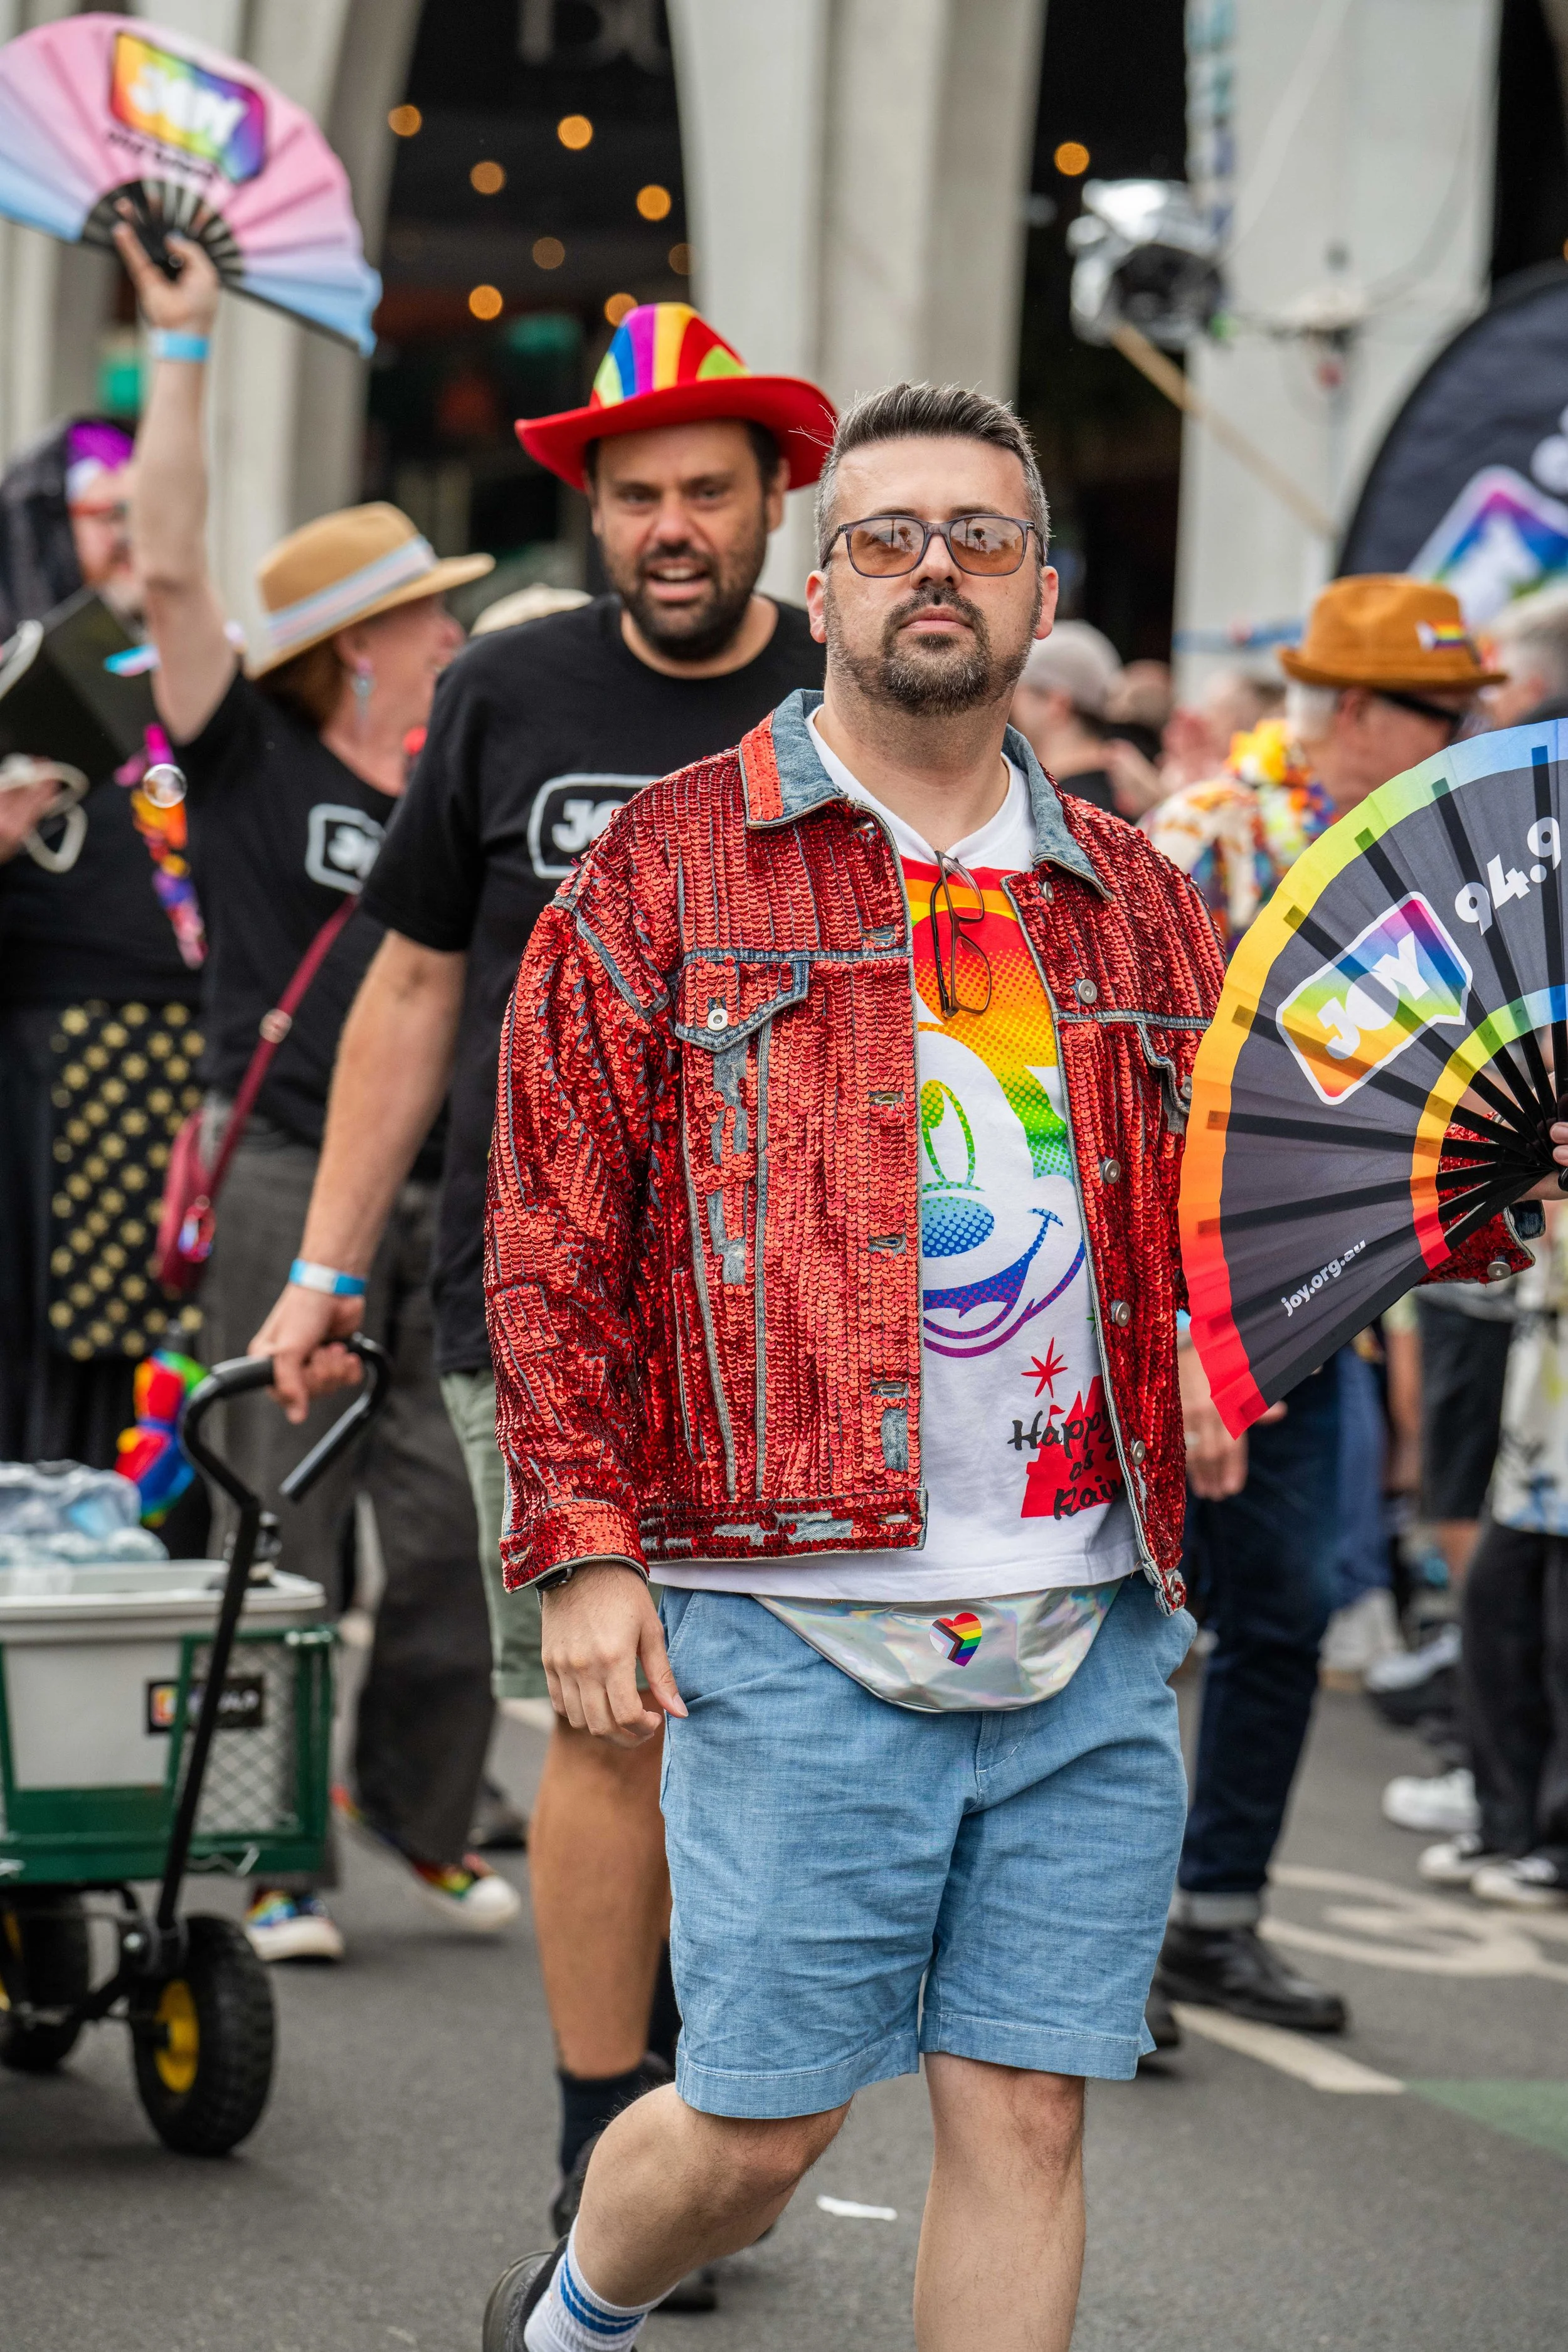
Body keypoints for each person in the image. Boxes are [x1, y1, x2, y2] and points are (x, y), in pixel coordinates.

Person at [472, 379, 1251, 2351]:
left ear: (1036, 589)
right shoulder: (663, 868)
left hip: (1085, 1607)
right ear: (819, 589)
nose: (933, 569)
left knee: (1026, 2110)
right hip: (788, 1607)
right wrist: (579, 1543)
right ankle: (569, 2312)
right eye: (889, 535)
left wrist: (1457, 1206)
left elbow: (1231, 1208)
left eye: (976, 540)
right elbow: (554, 1230)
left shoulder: (1141, 898)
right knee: (756, 2125)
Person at [247, 302, 835, 2266]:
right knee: (603, 1723)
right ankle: (607, 2133)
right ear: (591, 507)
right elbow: (409, 978)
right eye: (634, 493)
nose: (669, 525)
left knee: (761, 1722)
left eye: (705, 491)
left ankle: (700, 2080)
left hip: (806, 1313)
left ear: (773, 502)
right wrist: (327, 1262)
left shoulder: (852, 704)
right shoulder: (508, 693)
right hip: (551, 1294)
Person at [116, 220, 518, 1962]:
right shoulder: (248, 754)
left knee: (449, 1533)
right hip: (289, 1173)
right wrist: (183, 346)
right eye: (434, 611)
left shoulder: (464, 766)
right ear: (362, 638)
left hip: (451, 1194)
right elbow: (167, 576)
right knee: (287, 1517)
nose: (456, 628)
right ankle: (273, 1857)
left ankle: (417, 1812)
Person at [1148, 575, 1518, 2032]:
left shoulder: (1436, 866)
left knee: (1290, 1606)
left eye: (1471, 712)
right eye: (1441, 713)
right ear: (1352, 709)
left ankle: (1214, 1915)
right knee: (1133, 1618)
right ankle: (1089, 1939)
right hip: (1168, 1305)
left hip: (1321, 1306)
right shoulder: (1203, 844)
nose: (1462, 736)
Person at [0, 415, 213, 1517]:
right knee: (64, 1341)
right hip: (57, 1058)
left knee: (163, 1334)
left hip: (180, 1050)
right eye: (104, 515)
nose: (128, 536)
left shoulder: (169, 659)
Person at [1416, 1204, 1568, 1909]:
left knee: (1558, 1640)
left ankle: (1556, 1844)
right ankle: (1507, 1824)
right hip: (1537, 1428)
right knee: (1493, 1613)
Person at [1009, 619, 1162, 817]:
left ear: (1057, 705)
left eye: (1016, 692)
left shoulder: (1059, 809)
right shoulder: (1134, 796)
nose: (1008, 706)